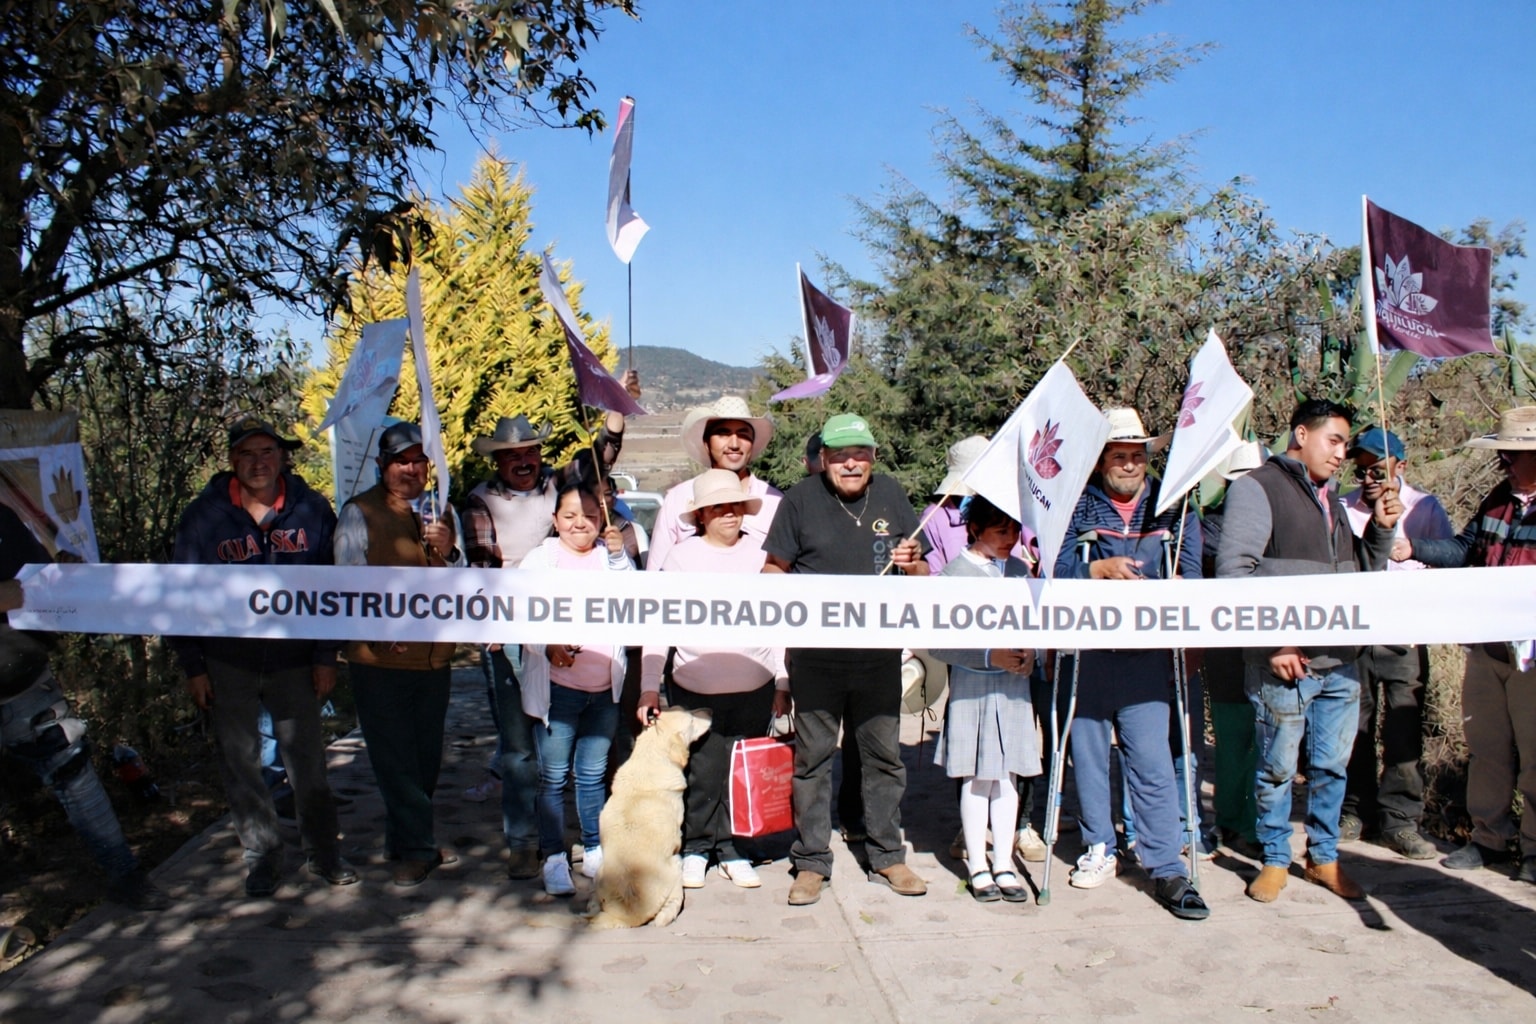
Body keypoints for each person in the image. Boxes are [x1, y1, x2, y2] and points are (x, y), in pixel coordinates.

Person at [1217, 399, 1401, 904]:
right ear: (1301, 434)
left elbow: (1360, 575)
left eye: (1345, 444)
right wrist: (1274, 641)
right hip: (1284, 662)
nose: (1343, 454)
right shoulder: (1257, 488)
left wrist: (1381, 530)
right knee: (1276, 768)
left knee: (1331, 768)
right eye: (1335, 441)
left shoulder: (1333, 499)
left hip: (1340, 660)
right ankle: (1275, 858)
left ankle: (1323, 858)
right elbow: (1235, 576)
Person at [171, 416, 355, 896]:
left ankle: (323, 852)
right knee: (241, 763)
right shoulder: (203, 518)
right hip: (226, 660)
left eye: (267, 453)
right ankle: (262, 856)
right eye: (248, 454)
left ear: (282, 458)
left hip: (295, 659)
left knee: (307, 761)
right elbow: (179, 596)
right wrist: (194, 666)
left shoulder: (311, 510)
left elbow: (334, 588)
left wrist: (325, 655)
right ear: (233, 461)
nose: (258, 463)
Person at [764, 413, 930, 906]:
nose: (851, 463)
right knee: (812, 761)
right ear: (824, 460)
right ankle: (811, 862)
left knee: (884, 760)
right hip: (815, 659)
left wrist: (914, 564)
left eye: (860, 454)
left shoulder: (892, 494)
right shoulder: (798, 500)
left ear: (874, 458)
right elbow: (772, 569)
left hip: (879, 657)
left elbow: (920, 571)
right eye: (840, 455)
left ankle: (887, 856)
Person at [1055, 408, 1208, 921]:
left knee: (1152, 761)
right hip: (1090, 653)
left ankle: (1165, 862)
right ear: (1101, 461)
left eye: (1137, 456)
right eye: (1119, 456)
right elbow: (1053, 571)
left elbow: (1191, 573)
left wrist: (1181, 594)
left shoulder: (1174, 505)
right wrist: (1094, 569)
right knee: (1090, 757)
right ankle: (1100, 845)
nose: (1129, 465)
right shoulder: (1075, 505)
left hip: (1149, 656)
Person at [0, 503, 168, 910]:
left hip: (24, 681)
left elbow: (35, 584)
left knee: (75, 775)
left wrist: (63, 576)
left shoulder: (3, 518)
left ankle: (126, 877)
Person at [1399, 406, 1536, 884]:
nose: (1504, 460)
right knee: (1488, 746)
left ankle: (1534, 850)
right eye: (1504, 452)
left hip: (1533, 656)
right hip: (1487, 648)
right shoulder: (1497, 500)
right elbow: (1464, 551)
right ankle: (1489, 838)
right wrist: (1414, 548)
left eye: (1514, 454)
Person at [639, 470, 790, 889]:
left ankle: (734, 850)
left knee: (741, 771)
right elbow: (658, 625)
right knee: (701, 772)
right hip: (692, 685)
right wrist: (649, 684)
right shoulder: (680, 559)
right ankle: (696, 849)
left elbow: (779, 621)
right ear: (701, 514)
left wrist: (782, 680)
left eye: (735, 506)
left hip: (755, 686)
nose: (729, 514)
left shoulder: (764, 555)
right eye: (718, 507)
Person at [335, 422, 465, 887]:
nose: (410, 469)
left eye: (417, 461)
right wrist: (371, 630)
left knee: (426, 756)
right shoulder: (359, 512)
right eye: (399, 461)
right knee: (393, 758)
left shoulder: (443, 511)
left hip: (434, 658)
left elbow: (466, 580)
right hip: (380, 661)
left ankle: (407, 836)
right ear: (381, 467)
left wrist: (449, 551)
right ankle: (416, 848)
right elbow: (346, 582)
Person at [1338, 426, 1455, 860]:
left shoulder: (1424, 507)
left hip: (1403, 632)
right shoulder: (1341, 506)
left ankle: (1400, 819)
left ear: (1400, 466)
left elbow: (1447, 559)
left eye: (1377, 469)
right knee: (1355, 723)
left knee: (1403, 727)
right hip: (1353, 631)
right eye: (1362, 469)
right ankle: (1355, 809)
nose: (1368, 477)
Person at [518, 481, 634, 897]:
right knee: (553, 776)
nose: (579, 523)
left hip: (604, 689)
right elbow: (520, 612)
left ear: (601, 518)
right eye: (569, 515)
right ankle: (552, 855)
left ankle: (593, 847)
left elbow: (635, 599)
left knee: (593, 775)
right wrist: (546, 646)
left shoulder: (609, 558)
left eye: (588, 514)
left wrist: (620, 554)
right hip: (558, 689)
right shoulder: (540, 560)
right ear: (555, 521)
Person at [461, 414, 560, 879]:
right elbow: (484, 566)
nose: (523, 460)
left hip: (565, 625)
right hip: (513, 630)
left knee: (562, 735)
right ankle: (521, 840)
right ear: (498, 460)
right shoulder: (480, 502)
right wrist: (494, 622)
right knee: (519, 742)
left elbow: (602, 459)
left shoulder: (562, 487)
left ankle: (564, 836)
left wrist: (616, 423)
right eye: (512, 455)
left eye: (529, 452)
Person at [929, 496, 1037, 902]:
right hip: (974, 688)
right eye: (999, 531)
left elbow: (1038, 622)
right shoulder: (953, 575)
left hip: (1013, 690)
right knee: (978, 776)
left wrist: (1031, 656)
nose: (1009, 539)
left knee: (1008, 775)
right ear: (974, 529)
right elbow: (938, 643)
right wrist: (989, 655)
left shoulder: (1020, 571)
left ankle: (1004, 861)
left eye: (1013, 530)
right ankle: (977, 863)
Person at [1199, 441, 1266, 859]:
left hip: (1267, 647)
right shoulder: (1207, 528)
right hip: (1225, 650)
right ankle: (1230, 819)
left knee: (1265, 737)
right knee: (1232, 735)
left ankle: (1258, 822)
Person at [645, 396, 781, 571]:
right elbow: (656, 575)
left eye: (743, 434)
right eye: (723, 434)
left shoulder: (776, 502)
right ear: (706, 444)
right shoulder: (677, 499)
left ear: (752, 444)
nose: (734, 444)